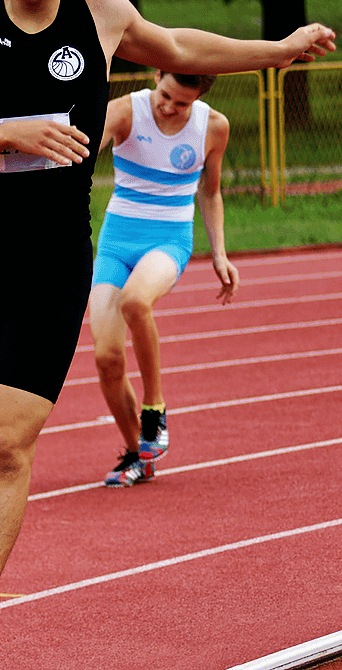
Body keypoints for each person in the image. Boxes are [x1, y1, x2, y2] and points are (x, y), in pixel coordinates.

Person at [0, 0, 333, 667]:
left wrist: (277, 49)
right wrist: (7, 133)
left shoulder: (101, 13)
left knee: (5, 443)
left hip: (54, 262)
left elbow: (179, 45)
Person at [91, 71, 238, 487]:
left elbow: (210, 192)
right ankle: (138, 454)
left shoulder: (213, 126)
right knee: (106, 359)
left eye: (182, 103)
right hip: (116, 241)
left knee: (136, 302)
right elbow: (79, 157)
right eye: (166, 95)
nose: (169, 107)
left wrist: (220, 254)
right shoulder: (125, 111)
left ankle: (154, 408)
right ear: (157, 75)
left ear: (199, 98)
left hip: (169, 238)